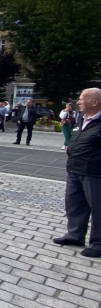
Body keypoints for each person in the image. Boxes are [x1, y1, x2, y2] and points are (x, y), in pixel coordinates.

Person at [53, 88, 101, 258]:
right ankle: (74, 235)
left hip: (94, 173)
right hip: (75, 169)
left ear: (94, 102)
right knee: (74, 204)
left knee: (97, 208)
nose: (78, 102)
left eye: (81, 99)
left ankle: (97, 243)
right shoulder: (83, 119)